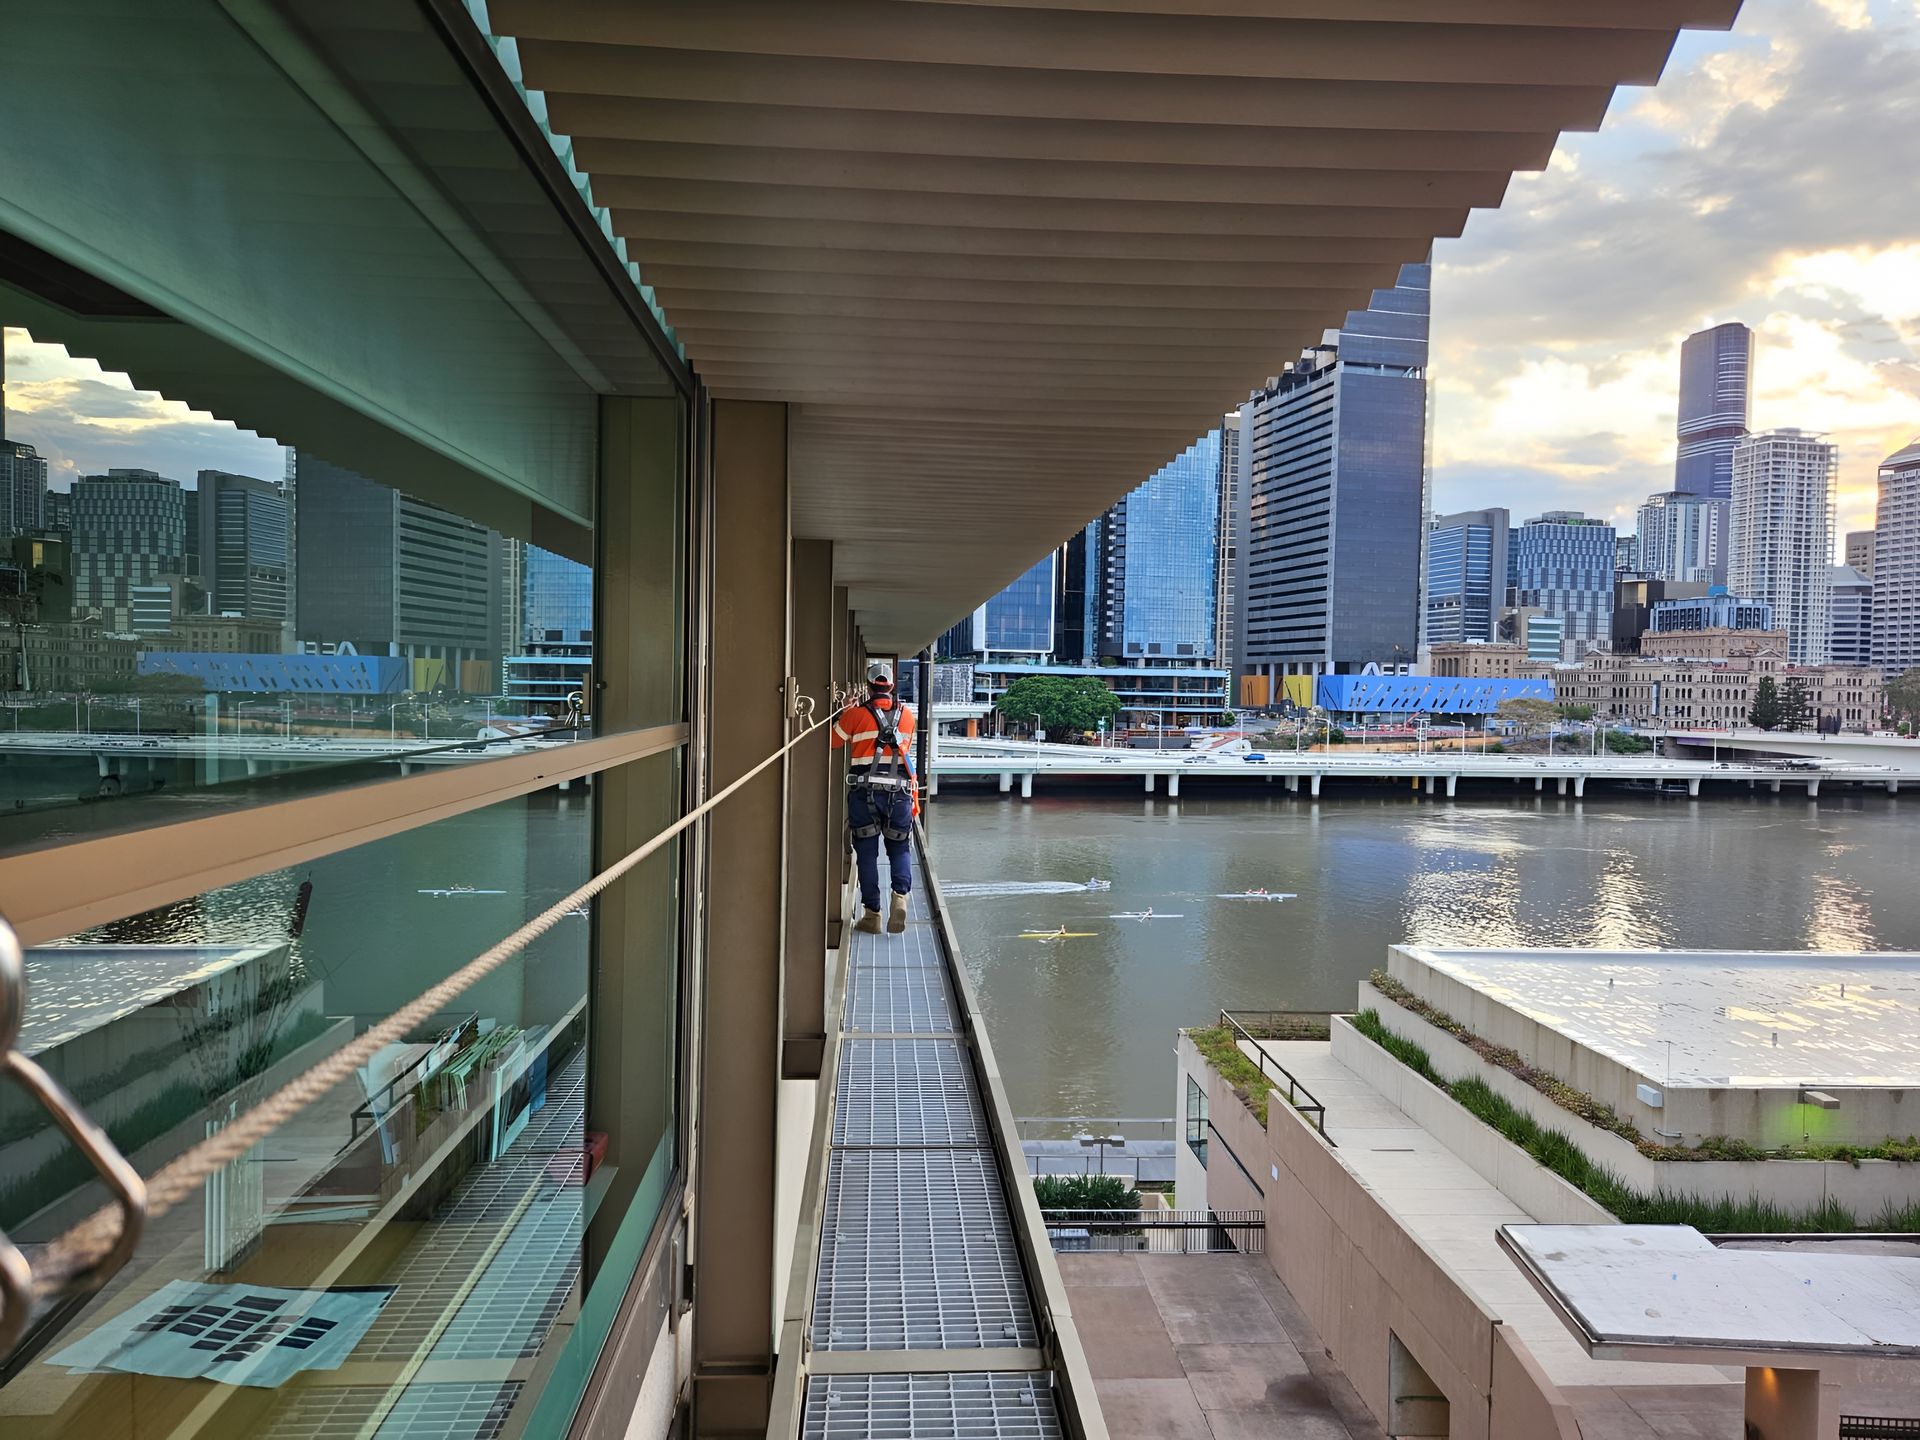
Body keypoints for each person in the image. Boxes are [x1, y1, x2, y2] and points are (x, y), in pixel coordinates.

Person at [831, 660, 918, 934]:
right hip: (899, 793)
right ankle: (900, 897)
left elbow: (833, 741)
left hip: (864, 791)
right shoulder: (907, 716)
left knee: (867, 854)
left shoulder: (855, 715)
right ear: (891, 686)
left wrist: (843, 710)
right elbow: (905, 747)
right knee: (900, 848)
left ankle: (872, 914)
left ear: (868, 687)